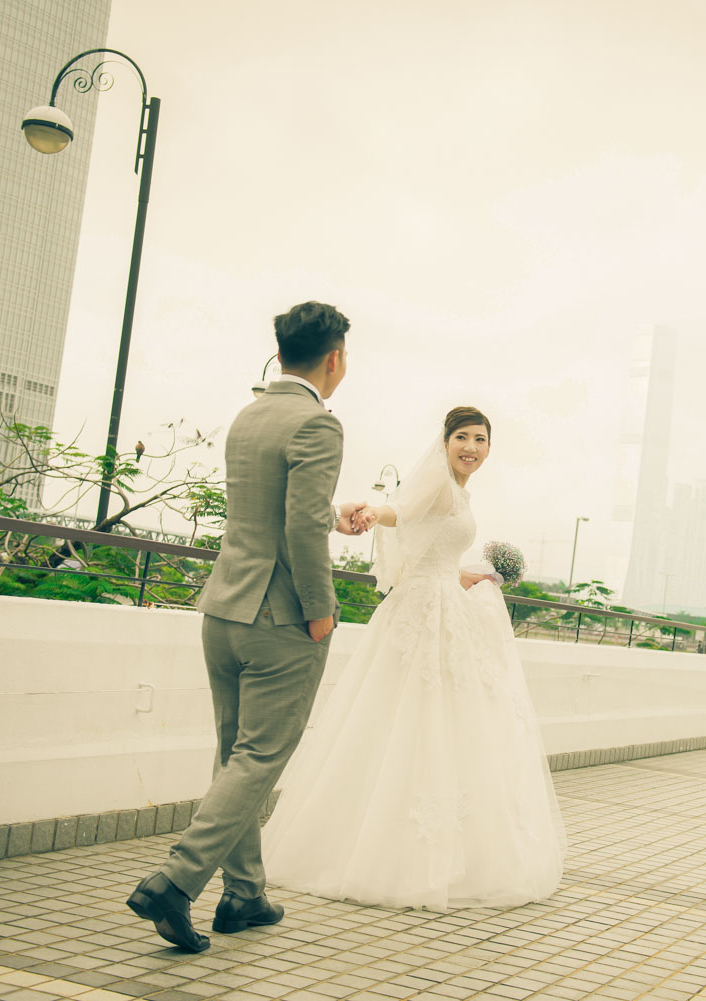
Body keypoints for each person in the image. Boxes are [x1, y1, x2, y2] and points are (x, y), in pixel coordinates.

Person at [126, 301, 366, 952]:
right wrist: (321, 609)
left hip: (224, 608)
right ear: (335, 357)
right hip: (279, 616)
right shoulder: (319, 424)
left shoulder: (250, 414)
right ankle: (175, 882)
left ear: (281, 352)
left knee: (236, 754)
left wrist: (332, 514)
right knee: (260, 756)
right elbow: (297, 527)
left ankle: (244, 893)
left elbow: (273, 509)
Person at [259, 406, 566, 910]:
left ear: (489, 448)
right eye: (462, 437)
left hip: (443, 602)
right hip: (424, 614)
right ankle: (391, 852)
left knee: (435, 722)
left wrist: (464, 575)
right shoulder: (439, 481)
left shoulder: (460, 492)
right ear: (445, 442)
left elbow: (430, 550)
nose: (471, 447)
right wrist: (369, 514)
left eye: (480, 439)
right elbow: (400, 511)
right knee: (411, 718)